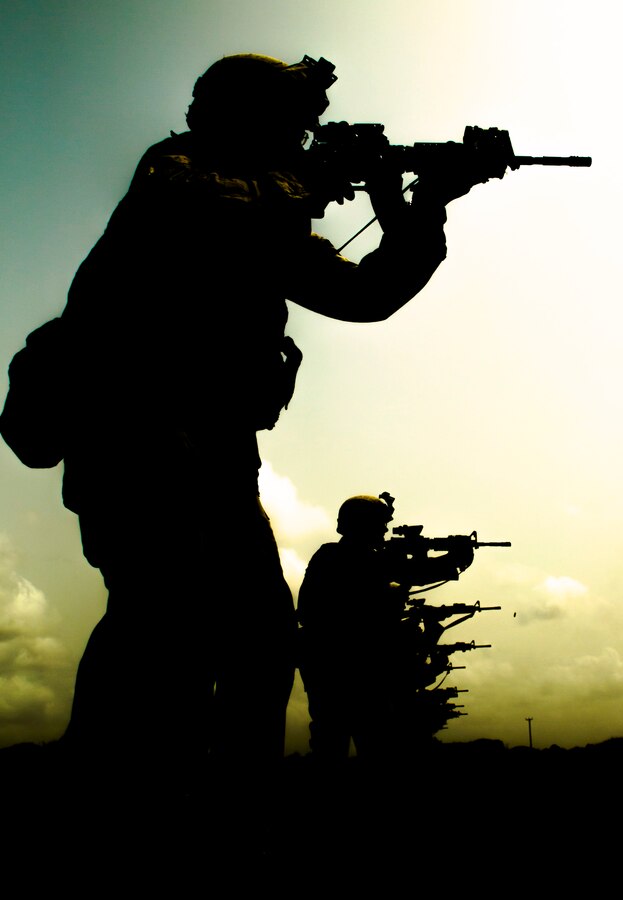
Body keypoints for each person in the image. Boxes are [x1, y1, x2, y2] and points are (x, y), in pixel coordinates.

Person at [1, 54, 473, 781]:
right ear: (241, 116)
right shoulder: (177, 173)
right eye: (294, 122)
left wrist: (419, 210)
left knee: (260, 638)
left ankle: (237, 809)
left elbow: (366, 295)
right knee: (164, 623)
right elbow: (214, 208)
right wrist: (318, 177)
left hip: (219, 457)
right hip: (131, 439)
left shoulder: (268, 215)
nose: (304, 138)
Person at [297, 494, 474, 761]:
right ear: (362, 525)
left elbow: (404, 571)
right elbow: (411, 571)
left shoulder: (338, 557)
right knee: (360, 745)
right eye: (379, 524)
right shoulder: (346, 557)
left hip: (335, 671)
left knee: (337, 745)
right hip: (350, 672)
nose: (384, 530)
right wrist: (454, 561)